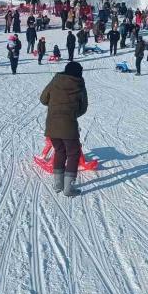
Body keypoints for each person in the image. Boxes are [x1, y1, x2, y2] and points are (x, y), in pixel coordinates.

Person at [40, 61, 88, 198]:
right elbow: (83, 108)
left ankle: (58, 184)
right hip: (69, 125)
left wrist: (55, 107)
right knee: (73, 154)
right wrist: (72, 114)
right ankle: (68, 188)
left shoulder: (56, 80)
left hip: (52, 125)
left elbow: (43, 99)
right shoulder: (79, 84)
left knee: (60, 151)